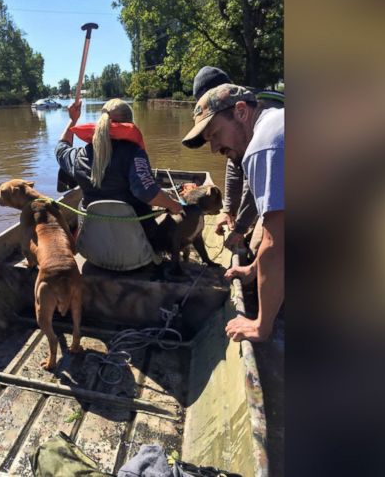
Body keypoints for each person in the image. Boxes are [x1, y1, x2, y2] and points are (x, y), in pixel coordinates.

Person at [182, 84, 284, 342]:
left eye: (215, 134)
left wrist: (261, 325)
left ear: (241, 112)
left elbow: (276, 242)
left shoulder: (264, 144)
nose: (214, 148)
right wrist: (251, 269)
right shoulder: (276, 121)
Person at [56, 99, 183, 243]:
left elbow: (61, 149)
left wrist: (73, 120)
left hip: (94, 249)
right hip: (135, 249)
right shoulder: (135, 153)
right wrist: (175, 205)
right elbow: (146, 192)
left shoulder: (80, 155)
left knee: (81, 205)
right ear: (130, 124)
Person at [192, 67, 284, 248]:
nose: (214, 148)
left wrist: (240, 228)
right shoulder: (236, 124)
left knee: (258, 246)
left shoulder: (261, 113)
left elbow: (257, 179)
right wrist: (229, 210)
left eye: (216, 135)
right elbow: (235, 166)